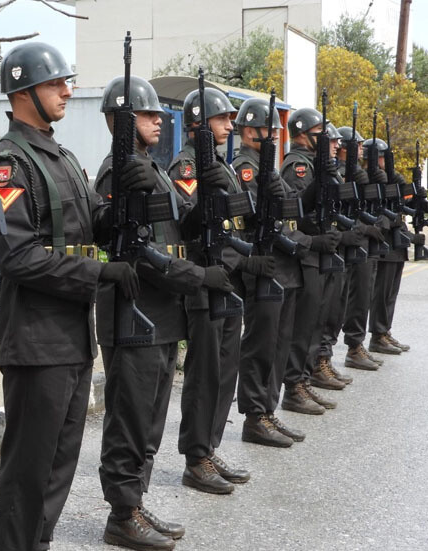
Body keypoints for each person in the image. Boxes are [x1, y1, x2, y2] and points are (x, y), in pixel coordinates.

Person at [0, 42, 138, 551]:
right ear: (23, 92)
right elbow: (18, 257)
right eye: (55, 84)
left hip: (71, 337)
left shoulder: (62, 157)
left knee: (56, 471)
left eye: (66, 82)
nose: (68, 91)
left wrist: (125, 202)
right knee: (29, 476)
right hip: (34, 338)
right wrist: (99, 273)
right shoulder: (7, 166)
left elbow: (94, 225)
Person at [95, 75, 232, 551]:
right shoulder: (119, 173)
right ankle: (121, 513)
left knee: (150, 418)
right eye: (150, 113)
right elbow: (133, 248)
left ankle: (134, 502)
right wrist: (196, 278)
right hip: (134, 313)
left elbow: (175, 230)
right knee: (129, 419)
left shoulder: (149, 168)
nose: (160, 120)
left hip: (160, 315)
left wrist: (205, 204)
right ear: (123, 119)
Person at [168, 87, 255, 493]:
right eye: (222, 119)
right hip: (203, 281)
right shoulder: (187, 167)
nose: (229, 125)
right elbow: (188, 222)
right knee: (203, 375)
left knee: (224, 372)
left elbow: (240, 218)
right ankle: (195, 456)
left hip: (229, 276)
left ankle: (211, 445)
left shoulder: (223, 165)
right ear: (201, 123)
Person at [231, 97, 310, 448]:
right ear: (249, 131)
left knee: (279, 344)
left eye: (276, 130)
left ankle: (268, 409)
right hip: (262, 262)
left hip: (281, 266)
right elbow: (253, 216)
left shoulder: (269, 168)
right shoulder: (245, 167)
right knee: (261, 345)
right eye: (267, 130)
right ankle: (254, 415)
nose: (274, 136)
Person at [279, 108, 342, 417]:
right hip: (304, 253)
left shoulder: (315, 163)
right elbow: (296, 212)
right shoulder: (298, 165)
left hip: (317, 251)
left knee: (314, 322)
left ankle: (303, 380)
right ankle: (294, 386)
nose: (327, 139)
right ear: (302, 134)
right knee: (302, 327)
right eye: (320, 132)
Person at [334, 129, 384, 372]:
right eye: (359, 145)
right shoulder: (339, 172)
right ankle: (348, 348)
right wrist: (362, 228)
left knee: (362, 294)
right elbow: (341, 210)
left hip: (360, 240)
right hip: (346, 240)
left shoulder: (359, 172)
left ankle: (356, 345)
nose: (362, 149)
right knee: (341, 300)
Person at [364, 137, 412, 356]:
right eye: (381, 157)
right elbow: (372, 210)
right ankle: (377, 334)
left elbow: (404, 201)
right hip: (382, 240)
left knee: (391, 292)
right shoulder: (366, 179)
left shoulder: (389, 178)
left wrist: (396, 180)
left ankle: (384, 331)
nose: (384, 161)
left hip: (396, 241)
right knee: (381, 293)